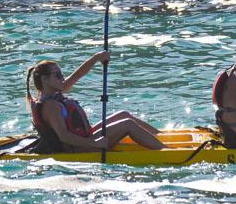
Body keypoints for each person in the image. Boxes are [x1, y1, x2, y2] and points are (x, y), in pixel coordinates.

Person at [25, 51, 166, 153]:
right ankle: (165, 151)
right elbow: (64, 136)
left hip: (85, 138)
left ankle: (163, 138)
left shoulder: (54, 93)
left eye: (62, 74)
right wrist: (94, 143)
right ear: (44, 79)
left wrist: (97, 58)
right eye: (57, 75)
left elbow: (78, 75)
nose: (62, 78)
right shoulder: (50, 106)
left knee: (124, 115)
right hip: (77, 148)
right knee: (127, 124)